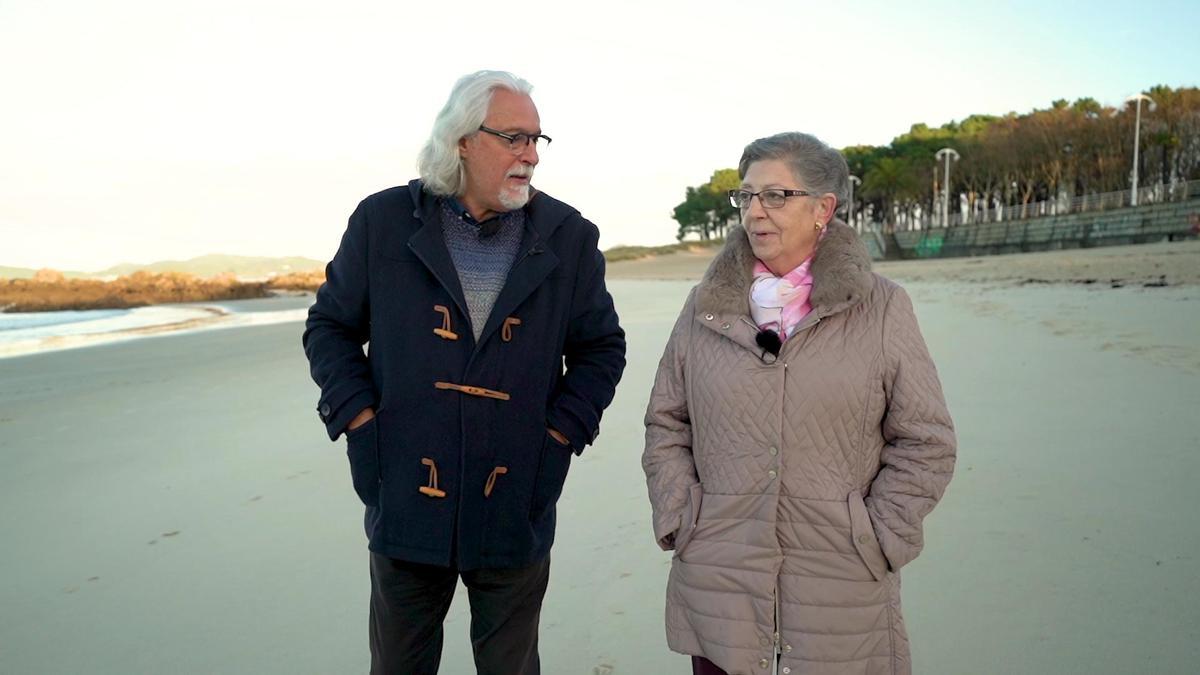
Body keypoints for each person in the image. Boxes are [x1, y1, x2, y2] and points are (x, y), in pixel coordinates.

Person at [303, 70, 626, 675]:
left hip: (515, 497)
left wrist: (560, 436)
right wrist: (359, 420)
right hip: (405, 492)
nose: (530, 155)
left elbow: (602, 348)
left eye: (537, 140)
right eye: (513, 138)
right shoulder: (383, 221)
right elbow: (330, 328)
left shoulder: (569, 236)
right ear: (461, 141)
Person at [642, 132, 955, 675]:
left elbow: (926, 441)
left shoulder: (882, 308)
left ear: (823, 209)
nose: (755, 212)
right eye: (746, 197)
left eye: (776, 196)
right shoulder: (705, 307)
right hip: (720, 580)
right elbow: (667, 421)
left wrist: (877, 534)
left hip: (840, 587)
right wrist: (681, 516)